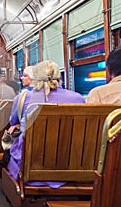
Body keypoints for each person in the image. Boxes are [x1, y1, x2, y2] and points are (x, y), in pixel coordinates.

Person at [7, 60, 85, 188]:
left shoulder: (24, 97)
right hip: (70, 163)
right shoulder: (78, 99)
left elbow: (13, 122)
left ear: (35, 78)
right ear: (59, 77)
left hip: (31, 163)